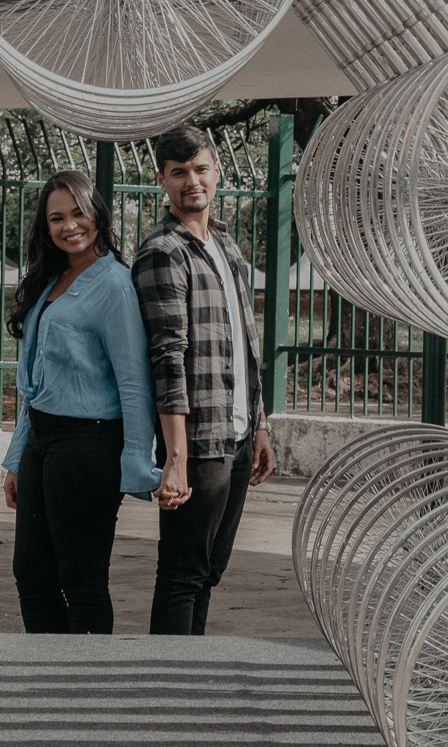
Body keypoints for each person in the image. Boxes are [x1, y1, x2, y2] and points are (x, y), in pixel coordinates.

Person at [2, 170, 161, 634]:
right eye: (57, 218)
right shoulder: (50, 280)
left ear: (97, 216)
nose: (69, 226)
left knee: (81, 579)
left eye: (78, 214)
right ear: (45, 226)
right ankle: (48, 670)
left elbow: (134, 383)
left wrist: (137, 461)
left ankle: (87, 674)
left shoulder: (115, 285)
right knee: (31, 574)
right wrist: (17, 458)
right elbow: (37, 385)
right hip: (43, 440)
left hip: (88, 444)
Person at [131, 125, 274, 635]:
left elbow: (245, 344)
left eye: (200, 169)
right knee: (183, 574)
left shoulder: (226, 244)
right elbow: (167, 358)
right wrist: (176, 459)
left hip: (238, 435)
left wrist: (260, 426)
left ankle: (190, 669)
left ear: (217, 173)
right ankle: (167, 677)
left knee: (208, 571)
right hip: (198, 440)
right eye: (179, 173)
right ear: (162, 180)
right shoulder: (163, 252)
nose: (192, 181)